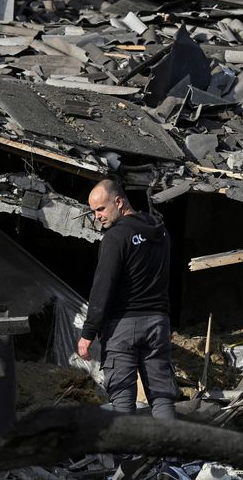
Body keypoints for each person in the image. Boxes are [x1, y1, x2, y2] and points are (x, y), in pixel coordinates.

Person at [77, 179, 179, 420]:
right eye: (93, 211)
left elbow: (102, 288)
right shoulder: (162, 233)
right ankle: (171, 455)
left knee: (122, 397)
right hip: (157, 323)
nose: (97, 216)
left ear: (119, 202)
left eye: (101, 209)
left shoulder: (115, 238)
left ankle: (125, 456)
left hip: (123, 327)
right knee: (162, 395)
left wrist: (88, 333)